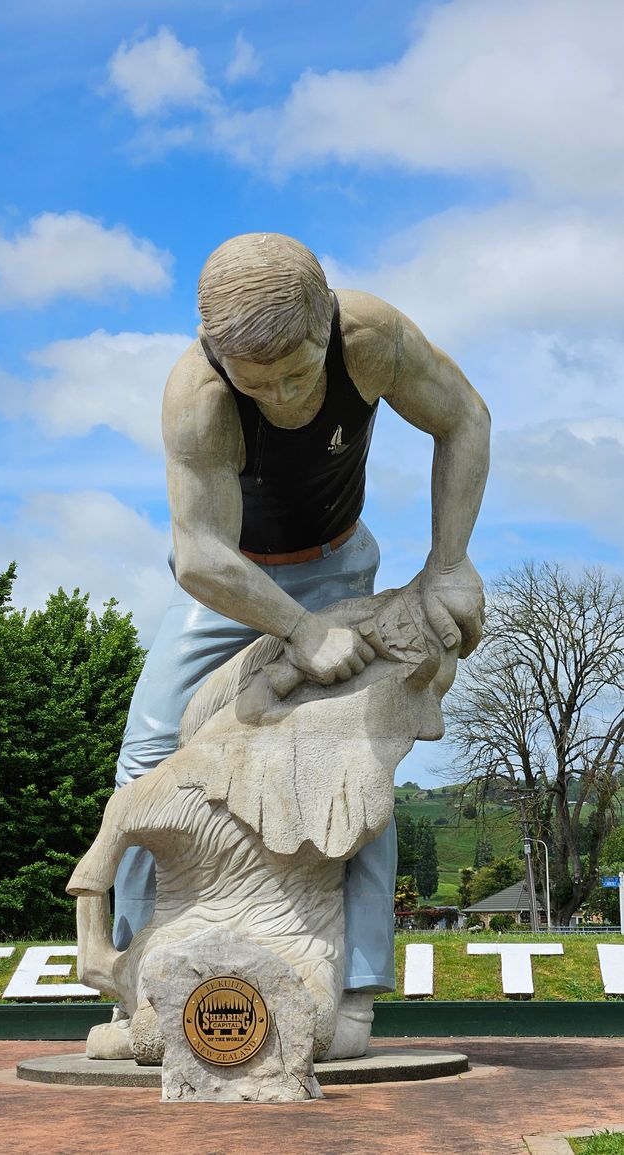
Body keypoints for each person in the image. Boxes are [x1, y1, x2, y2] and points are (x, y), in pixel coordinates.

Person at [112, 232, 489, 1017]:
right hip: (232, 580)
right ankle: (132, 990)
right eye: (259, 384)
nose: (280, 399)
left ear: (325, 325)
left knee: (361, 749)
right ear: (220, 356)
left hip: (338, 560)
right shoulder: (198, 393)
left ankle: (353, 989)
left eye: (295, 374)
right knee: (148, 755)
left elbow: (465, 419)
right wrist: (301, 631)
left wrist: (448, 561)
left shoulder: (370, 337)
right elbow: (199, 556)